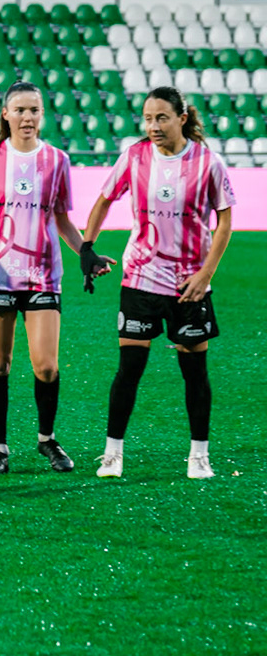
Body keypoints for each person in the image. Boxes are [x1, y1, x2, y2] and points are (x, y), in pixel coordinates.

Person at [80, 86, 233, 479]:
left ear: (182, 118)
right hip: (141, 277)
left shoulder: (207, 162)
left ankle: (199, 457)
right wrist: (87, 247)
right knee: (129, 368)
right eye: (148, 118)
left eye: (161, 118)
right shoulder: (134, 156)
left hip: (188, 283)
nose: (153, 126)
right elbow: (103, 200)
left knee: (195, 371)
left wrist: (205, 275)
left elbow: (224, 222)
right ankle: (112, 455)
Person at [0, 82, 87, 474]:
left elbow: (64, 219)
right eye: (19, 110)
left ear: (42, 114)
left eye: (34, 110)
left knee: (46, 367)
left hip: (43, 275)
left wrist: (85, 252)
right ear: (5, 114)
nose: (27, 118)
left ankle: (46, 440)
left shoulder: (57, 160)